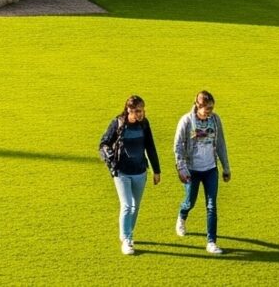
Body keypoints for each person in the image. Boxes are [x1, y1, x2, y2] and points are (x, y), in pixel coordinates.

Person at [97, 94, 161, 255]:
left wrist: (156, 170)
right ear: (129, 110)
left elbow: (150, 147)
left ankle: (127, 233)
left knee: (136, 206)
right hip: (122, 172)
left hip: (140, 171)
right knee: (128, 205)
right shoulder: (118, 123)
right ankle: (127, 239)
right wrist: (111, 160)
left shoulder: (144, 124)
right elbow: (103, 143)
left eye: (142, 110)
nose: (141, 113)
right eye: (138, 111)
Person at [172, 90, 230, 255]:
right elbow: (178, 146)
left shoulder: (215, 120)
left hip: (211, 169)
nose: (210, 111)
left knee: (212, 206)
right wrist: (181, 167)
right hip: (192, 170)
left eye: (212, 108)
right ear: (198, 106)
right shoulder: (187, 121)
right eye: (207, 108)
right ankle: (182, 216)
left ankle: (211, 242)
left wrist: (226, 168)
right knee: (190, 201)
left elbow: (220, 144)